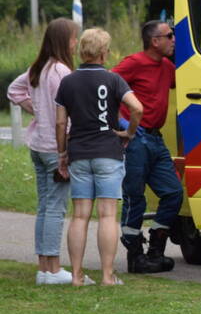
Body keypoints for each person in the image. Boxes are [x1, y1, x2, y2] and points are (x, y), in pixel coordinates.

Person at [55, 28, 143, 286]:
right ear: (104, 52)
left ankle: (77, 275)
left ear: (82, 50)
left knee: (80, 215)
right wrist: (128, 132)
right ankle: (107, 275)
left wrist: (62, 154)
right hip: (108, 152)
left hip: (79, 153)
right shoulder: (114, 80)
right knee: (107, 215)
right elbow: (137, 107)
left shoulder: (68, 82)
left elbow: (61, 124)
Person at [6, 18, 79, 284]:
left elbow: (14, 91)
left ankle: (43, 267)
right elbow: (67, 115)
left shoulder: (39, 68)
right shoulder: (62, 72)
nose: (76, 43)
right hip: (55, 147)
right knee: (56, 208)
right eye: (73, 38)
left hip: (38, 144)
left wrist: (36, 110)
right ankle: (54, 267)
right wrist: (66, 150)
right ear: (63, 41)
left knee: (44, 205)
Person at [112, 20, 183, 273]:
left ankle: (155, 251)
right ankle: (135, 256)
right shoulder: (133, 63)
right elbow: (105, 88)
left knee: (174, 192)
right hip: (135, 140)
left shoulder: (166, 66)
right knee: (135, 197)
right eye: (170, 35)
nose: (174, 39)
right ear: (155, 41)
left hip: (156, 139)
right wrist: (121, 121)